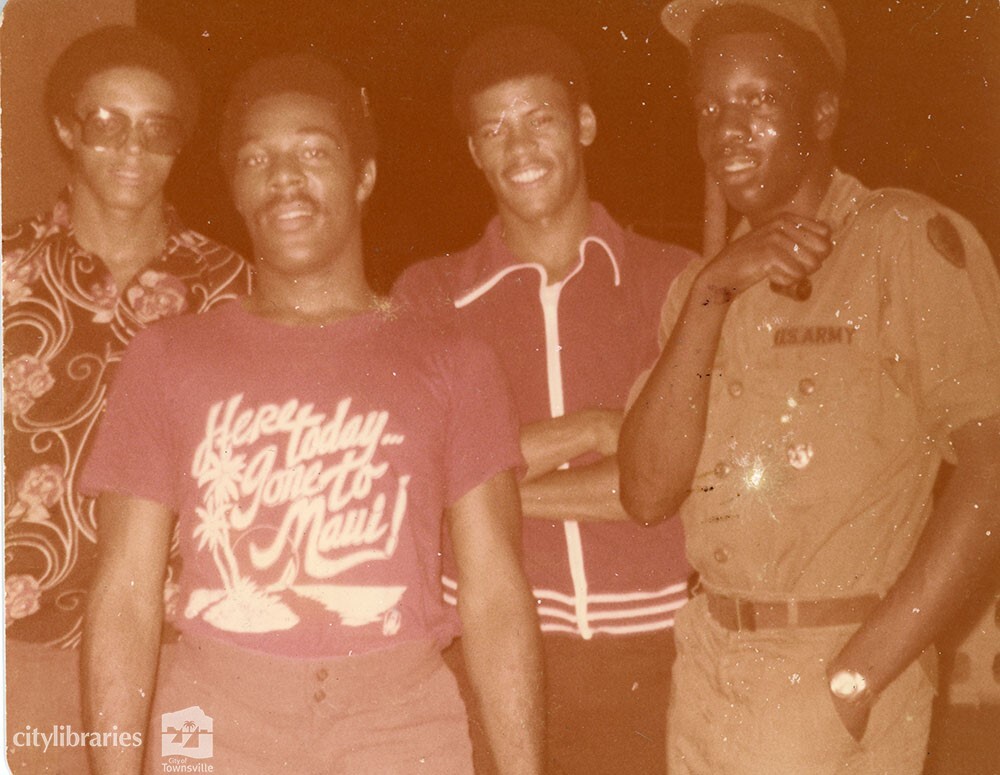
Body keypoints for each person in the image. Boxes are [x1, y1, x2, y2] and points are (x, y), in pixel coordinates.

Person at [78, 53, 544, 775]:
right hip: (208, 714)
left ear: (363, 178)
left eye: (314, 152)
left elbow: (496, 596)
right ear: (235, 187)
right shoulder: (169, 355)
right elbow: (125, 596)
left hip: (401, 725)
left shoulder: (452, 359)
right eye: (257, 158)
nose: (284, 176)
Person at [618, 1, 1000, 773]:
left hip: (830, 674)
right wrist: (710, 295)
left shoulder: (903, 245)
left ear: (822, 114)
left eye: (759, 99)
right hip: (705, 669)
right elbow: (647, 493)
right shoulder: (702, 286)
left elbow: (992, 473)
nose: (726, 127)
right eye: (710, 106)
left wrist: (859, 675)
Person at [393, 25, 695, 775]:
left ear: (585, 125)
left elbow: (672, 482)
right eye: (493, 128)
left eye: (540, 118)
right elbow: (415, 472)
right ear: (473, 151)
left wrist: (486, 488)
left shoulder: (675, 281)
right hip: (485, 659)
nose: (518, 145)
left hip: (656, 658)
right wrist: (596, 427)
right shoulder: (432, 294)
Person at [3, 25, 250, 774]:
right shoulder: (7, 273)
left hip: (185, 653)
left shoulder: (229, 289)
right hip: (27, 645)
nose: (132, 149)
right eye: (106, 124)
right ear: (66, 129)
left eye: (157, 129)